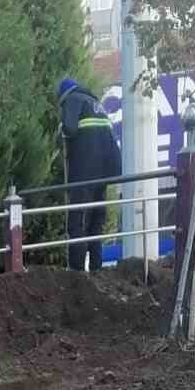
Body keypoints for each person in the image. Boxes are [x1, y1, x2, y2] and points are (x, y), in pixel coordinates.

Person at [58, 77, 122, 273]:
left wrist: (60, 129)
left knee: (77, 222)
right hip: (104, 174)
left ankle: (76, 272)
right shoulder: (96, 104)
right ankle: (96, 270)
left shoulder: (72, 99)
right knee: (96, 222)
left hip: (85, 172)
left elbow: (69, 128)